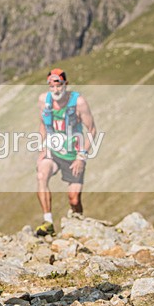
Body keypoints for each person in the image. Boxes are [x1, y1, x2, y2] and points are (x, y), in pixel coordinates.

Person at [35, 68, 97, 236]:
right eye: (51, 86)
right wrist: (43, 147)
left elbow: (91, 130)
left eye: (59, 85)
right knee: (42, 175)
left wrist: (81, 156)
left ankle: (78, 222)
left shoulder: (78, 102)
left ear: (65, 84)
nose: (55, 90)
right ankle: (48, 222)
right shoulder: (43, 101)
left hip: (74, 155)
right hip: (53, 152)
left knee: (74, 198)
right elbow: (42, 124)